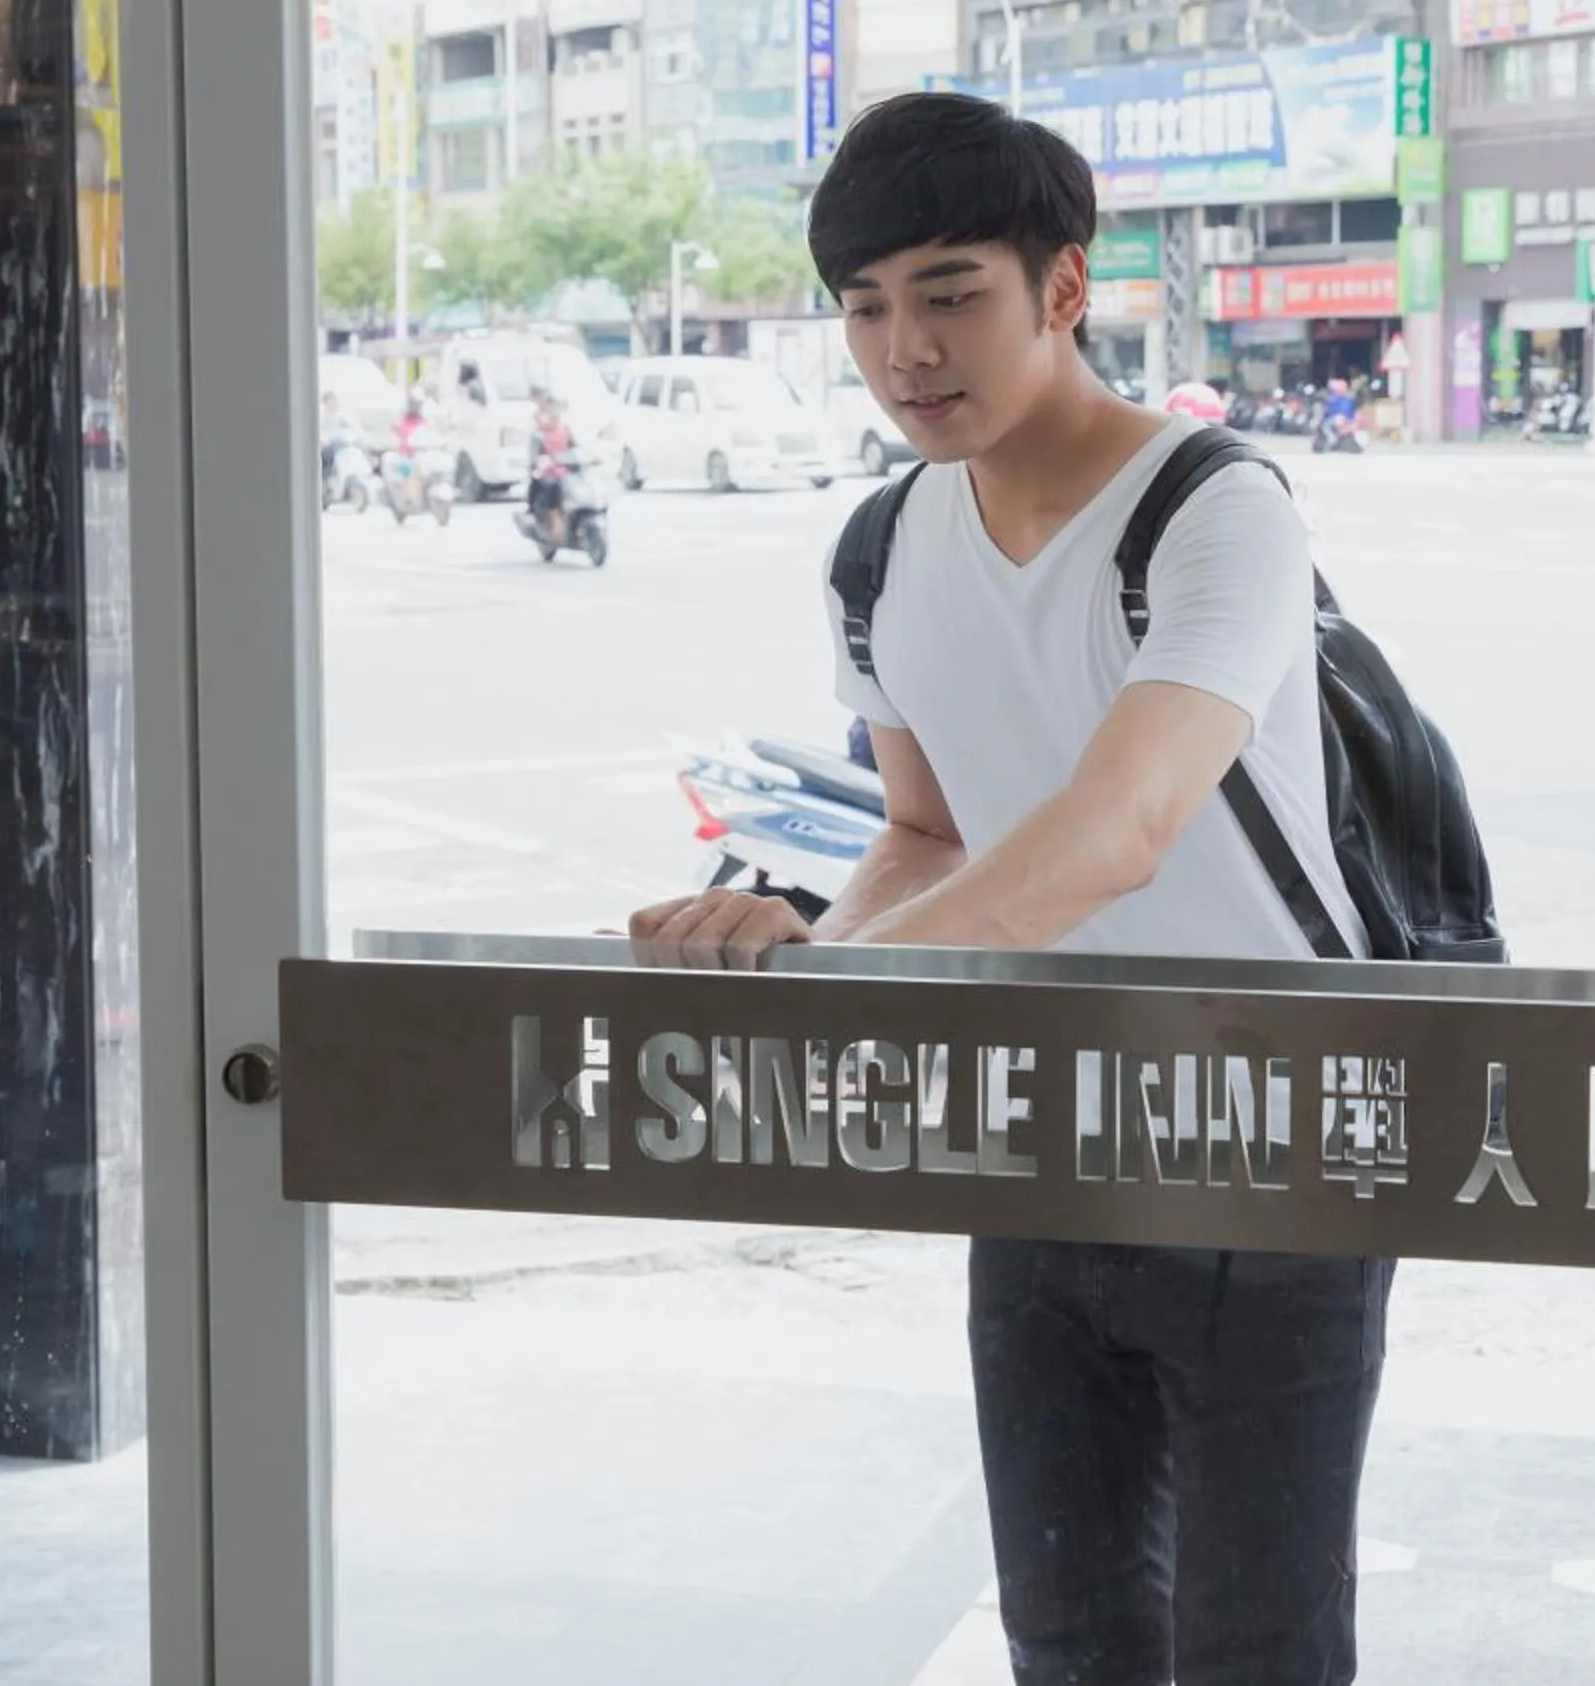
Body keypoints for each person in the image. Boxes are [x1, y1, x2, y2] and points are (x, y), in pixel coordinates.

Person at [629, 89, 1383, 1685]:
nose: (906, 348)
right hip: (1040, 1141)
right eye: (865, 307)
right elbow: (927, 829)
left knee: (1262, 1647)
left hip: (1278, 1149)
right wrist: (810, 940)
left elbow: (1120, 828)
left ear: (1061, 286)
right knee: (1071, 1639)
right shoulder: (882, 551)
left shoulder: (1212, 509)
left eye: (950, 293)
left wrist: (837, 984)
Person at [524, 386, 575, 542]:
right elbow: (535, 455)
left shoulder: (565, 430)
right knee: (548, 487)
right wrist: (538, 464)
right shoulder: (540, 433)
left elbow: (576, 447)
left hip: (566, 471)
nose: (553, 413)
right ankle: (551, 521)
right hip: (549, 472)